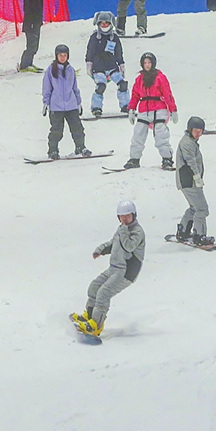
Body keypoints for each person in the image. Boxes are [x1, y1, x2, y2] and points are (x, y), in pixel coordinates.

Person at [72, 201, 146, 338]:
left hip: (126, 272)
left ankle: (96, 325)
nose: (124, 219)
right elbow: (114, 243)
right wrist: (100, 250)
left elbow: (128, 246)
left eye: (127, 216)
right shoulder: (122, 229)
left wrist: (123, 231)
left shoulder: (137, 232)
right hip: (114, 268)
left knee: (104, 293)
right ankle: (89, 317)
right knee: (94, 287)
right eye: (121, 216)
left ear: (134, 215)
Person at [125, 52, 177, 170]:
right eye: (145, 63)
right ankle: (134, 159)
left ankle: (167, 158)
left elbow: (167, 94)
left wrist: (173, 109)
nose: (147, 65)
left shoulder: (160, 77)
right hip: (144, 109)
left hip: (159, 109)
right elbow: (135, 96)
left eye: (149, 63)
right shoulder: (139, 79)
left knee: (161, 135)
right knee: (138, 134)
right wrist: (131, 109)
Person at [42, 44, 90, 159]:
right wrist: (45, 103)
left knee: (77, 128)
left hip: (71, 105)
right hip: (56, 106)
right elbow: (46, 88)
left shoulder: (70, 70)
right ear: (56, 56)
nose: (63, 57)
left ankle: (80, 147)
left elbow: (75, 88)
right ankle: (53, 150)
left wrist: (78, 103)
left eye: (65, 55)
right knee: (56, 130)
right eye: (60, 55)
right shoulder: (50, 70)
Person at [175, 116, 214, 246]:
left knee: (194, 208)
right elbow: (190, 161)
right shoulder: (187, 143)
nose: (198, 133)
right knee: (202, 209)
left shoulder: (191, 141)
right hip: (189, 180)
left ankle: (183, 231)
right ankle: (199, 236)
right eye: (196, 130)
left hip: (187, 181)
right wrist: (196, 176)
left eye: (200, 131)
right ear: (190, 129)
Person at [84, 11, 129, 116]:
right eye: (102, 23)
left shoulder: (114, 38)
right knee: (101, 86)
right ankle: (96, 107)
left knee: (122, 84)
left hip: (112, 67)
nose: (104, 25)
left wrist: (121, 65)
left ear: (111, 23)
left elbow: (118, 52)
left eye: (106, 23)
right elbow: (90, 51)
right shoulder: (95, 37)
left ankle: (126, 105)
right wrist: (89, 64)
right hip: (98, 67)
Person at [18, 0, 44, 72]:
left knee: (34, 44)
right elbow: (33, 9)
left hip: (32, 22)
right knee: (32, 45)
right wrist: (34, 22)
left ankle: (29, 63)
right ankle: (24, 65)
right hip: (32, 23)